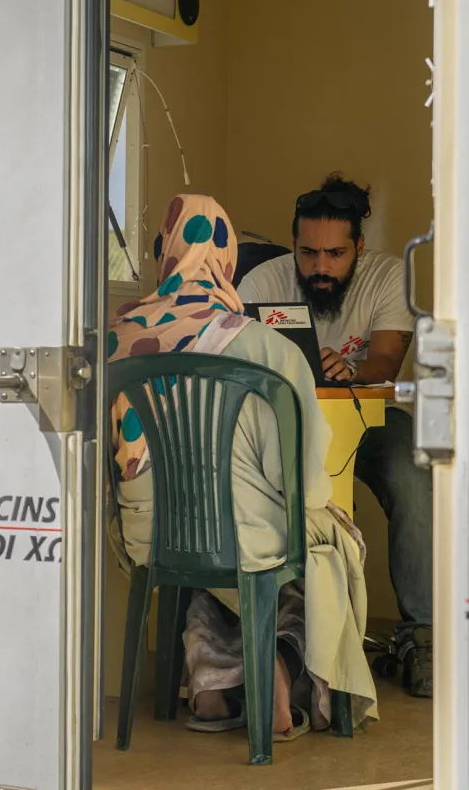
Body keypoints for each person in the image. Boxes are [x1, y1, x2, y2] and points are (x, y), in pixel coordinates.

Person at [106, 194, 378, 739]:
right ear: (227, 261)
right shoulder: (266, 345)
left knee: (207, 569)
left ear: (165, 253)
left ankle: (210, 686)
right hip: (245, 535)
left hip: (147, 535)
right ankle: (279, 674)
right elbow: (300, 483)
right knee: (323, 547)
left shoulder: (118, 335)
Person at [237, 173, 432, 697]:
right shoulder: (260, 283)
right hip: (276, 427)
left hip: (364, 420)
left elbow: (389, 359)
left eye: (335, 254)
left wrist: (350, 371)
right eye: (307, 253)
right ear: (293, 243)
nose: (320, 267)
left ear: (359, 248)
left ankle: (424, 637)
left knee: (415, 470)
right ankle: (270, 643)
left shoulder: (389, 277)